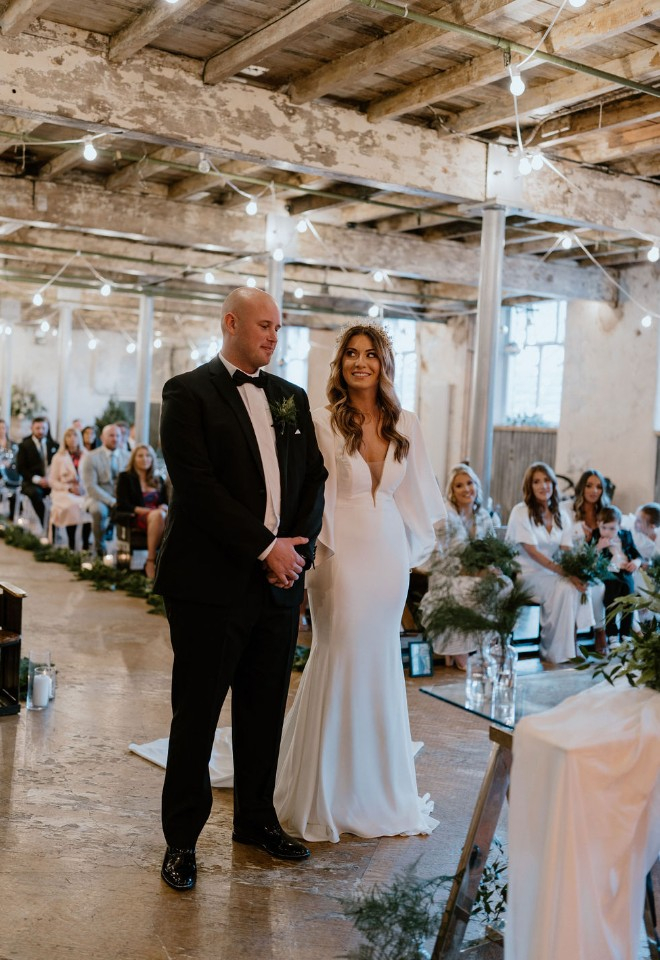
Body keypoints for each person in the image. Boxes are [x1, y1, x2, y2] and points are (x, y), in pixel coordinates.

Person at [153, 287, 327, 891]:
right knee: (196, 714)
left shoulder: (291, 399)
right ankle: (181, 840)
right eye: (264, 326)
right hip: (209, 584)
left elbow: (315, 480)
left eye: (278, 328)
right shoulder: (187, 392)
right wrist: (264, 547)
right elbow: (197, 488)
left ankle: (256, 820)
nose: (274, 337)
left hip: (279, 584)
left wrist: (293, 551)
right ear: (230, 323)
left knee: (262, 710)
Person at [274, 322, 445, 843]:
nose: (360, 362)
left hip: (387, 552)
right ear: (340, 363)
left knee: (377, 658)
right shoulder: (323, 421)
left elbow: (416, 495)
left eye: (370, 354)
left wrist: (412, 549)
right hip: (339, 548)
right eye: (351, 353)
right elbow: (308, 491)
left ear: (384, 363)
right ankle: (325, 787)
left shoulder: (406, 422)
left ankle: (379, 789)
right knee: (340, 649)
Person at [506, 462, 585, 663]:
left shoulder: (561, 514)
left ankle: (562, 649)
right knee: (565, 586)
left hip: (553, 574)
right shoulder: (520, 511)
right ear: (529, 486)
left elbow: (567, 551)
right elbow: (532, 552)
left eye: (547, 480)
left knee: (573, 588)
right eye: (537, 482)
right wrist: (566, 573)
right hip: (527, 574)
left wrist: (579, 572)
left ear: (553, 484)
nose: (543, 486)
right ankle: (555, 650)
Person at [422, 463, 495, 669]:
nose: (466, 489)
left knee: (503, 584)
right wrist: (465, 570)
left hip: (479, 573)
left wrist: (492, 567)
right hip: (448, 574)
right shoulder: (445, 515)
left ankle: (484, 646)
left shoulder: (483, 516)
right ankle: (459, 650)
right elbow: (437, 555)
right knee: (468, 588)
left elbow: (492, 550)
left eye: (469, 483)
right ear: (451, 492)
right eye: (459, 486)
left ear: (476, 486)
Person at [567, 468, 610, 652]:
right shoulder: (570, 511)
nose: (594, 491)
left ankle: (600, 632)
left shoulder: (605, 513)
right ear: (581, 488)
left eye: (599, 487)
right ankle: (572, 635)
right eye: (589, 486)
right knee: (583, 587)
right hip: (575, 562)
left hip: (600, 564)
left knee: (600, 586)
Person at [116, 443, 168, 579]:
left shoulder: (157, 479)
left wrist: (164, 506)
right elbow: (122, 503)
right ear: (134, 458)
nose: (145, 459)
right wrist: (145, 511)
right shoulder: (125, 477)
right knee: (157, 515)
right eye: (140, 456)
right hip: (136, 516)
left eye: (148, 456)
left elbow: (164, 501)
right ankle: (151, 561)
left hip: (158, 516)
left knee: (162, 515)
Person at [595, 505, 642, 644]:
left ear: (619, 526)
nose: (607, 532)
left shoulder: (626, 535)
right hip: (608, 572)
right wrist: (598, 548)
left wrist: (636, 562)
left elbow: (636, 554)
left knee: (629, 598)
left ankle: (626, 634)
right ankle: (612, 634)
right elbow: (590, 557)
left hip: (625, 570)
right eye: (604, 528)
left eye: (612, 528)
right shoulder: (597, 536)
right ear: (598, 524)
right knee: (611, 600)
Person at [81, 424, 127, 555]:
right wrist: (111, 501)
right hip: (98, 497)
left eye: (118, 435)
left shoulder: (128, 457)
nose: (115, 439)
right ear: (102, 437)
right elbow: (91, 487)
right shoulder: (91, 457)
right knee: (99, 511)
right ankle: (99, 548)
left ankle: (126, 552)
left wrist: (121, 500)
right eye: (111, 435)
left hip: (121, 498)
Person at [48, 427, 92, 551]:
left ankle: (85, 543)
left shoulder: (87, 456)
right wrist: (68, 488)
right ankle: (71, 543)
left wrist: (83, 488)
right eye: (69, 436)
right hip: (64, 491)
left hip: (83, 491)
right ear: (64, 439)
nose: (72, 439)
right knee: (71, 506)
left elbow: (91, 478)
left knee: (87, 506)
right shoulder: (59, 457)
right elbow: (52, 480)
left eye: (75, 436)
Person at [15, 416, 58, 526]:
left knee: (63, 494)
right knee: (35, 494)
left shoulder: (54, 445)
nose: (41, 431)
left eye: (43, 428)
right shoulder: (24, 445)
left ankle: (59, 524)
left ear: (47, 428)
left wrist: (50, 479)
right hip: (31, 482)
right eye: (38, 428)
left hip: (51, 481)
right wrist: (38, 480)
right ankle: (48, 526)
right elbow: (21, 468)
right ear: (32, 428)